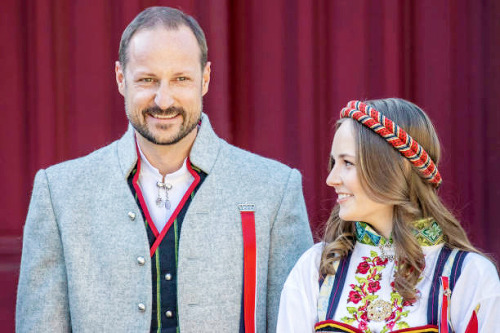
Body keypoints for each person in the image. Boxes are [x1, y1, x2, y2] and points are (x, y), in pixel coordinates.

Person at [16, 6, 312, 333]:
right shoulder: (59, 194)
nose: (163, 99)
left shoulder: (274, 190)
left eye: (180, 79)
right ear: (120, 78)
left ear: (206, 78)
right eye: (147, 79)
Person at [277, 98, 500, 332]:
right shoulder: (317, 269)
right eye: (334, 162)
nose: (331, 179)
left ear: (397, 169)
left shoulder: (468, 276)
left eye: (348, 163)